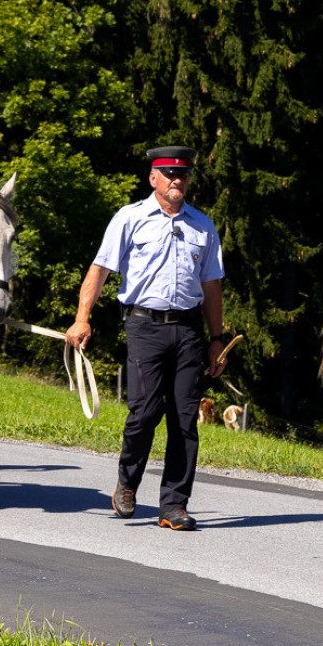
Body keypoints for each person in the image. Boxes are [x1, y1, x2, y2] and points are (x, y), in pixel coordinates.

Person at [65, 146, 226, 531]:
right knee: (144, 412)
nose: (177, 180)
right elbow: (101, 269)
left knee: (185, 419)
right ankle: (127, 482)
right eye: (169, 173)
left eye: (183, 174)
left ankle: (174, 505)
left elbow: (212, 285)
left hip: (189, 330)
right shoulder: (130, 218)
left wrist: (216, 339)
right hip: (144, 326)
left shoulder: (203, 226)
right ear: (153, 178)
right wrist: (81, 319)